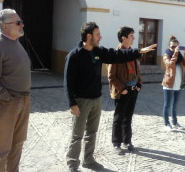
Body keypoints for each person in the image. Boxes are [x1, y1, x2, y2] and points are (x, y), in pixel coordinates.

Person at [64, 22, 156, 172]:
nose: (100, 37)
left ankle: (88, 160)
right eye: (97, 34)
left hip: (96, 99)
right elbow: (67, 81)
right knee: (77, 135)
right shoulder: (74, 55)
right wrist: (71, 103)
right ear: (89, 36)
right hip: (81, 101)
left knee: (92, 133)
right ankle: (72, 164)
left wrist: (139, 52)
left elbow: (117, 55)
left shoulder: (98, 51)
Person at [0, 9, 31, 172]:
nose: (22, 24)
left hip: (22, 101)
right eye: (18, 22)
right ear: (6, 26)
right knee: (1, 150)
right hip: (6, 103)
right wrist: (7, 97)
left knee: (17, 145)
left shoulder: (16, 43)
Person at [107, 27, 142, 155]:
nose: (133, 38)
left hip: (133, 90)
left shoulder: (132, 53)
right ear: (123, 38)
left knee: (128, 118)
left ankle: (127, 141)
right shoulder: (115, 54)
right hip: (122, 91)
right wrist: (122, 89)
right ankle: (116, 143)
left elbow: (138, 70)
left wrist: (139, 84)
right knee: (119, 118)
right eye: (131, 35)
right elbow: (111, 76)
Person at [161, 35, 185, 131]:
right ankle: (166, 124)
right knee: (167, 104)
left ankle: (175, 122)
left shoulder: (180, 56)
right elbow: (169, 64)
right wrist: (175, 53)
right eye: (172, 47)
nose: (174, 48)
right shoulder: (166, 55)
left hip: (179, 83)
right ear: (169, 46)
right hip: (169, 83)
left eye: (176, 47)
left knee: (175, 105)